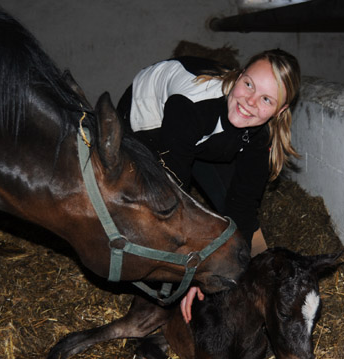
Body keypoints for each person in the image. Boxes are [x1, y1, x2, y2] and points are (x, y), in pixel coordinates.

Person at [116, 49, 301, 321]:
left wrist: (252, 275)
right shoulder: (189, 107)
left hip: (205, 133)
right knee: (155, 208)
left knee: (236, 221)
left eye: (266, 99)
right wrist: (195, 275)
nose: (250, 101)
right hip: (147, 120)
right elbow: (173, 204)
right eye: (248, 84)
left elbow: (243, 206)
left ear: (280, 110)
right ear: (238, 76)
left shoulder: (260, 134)